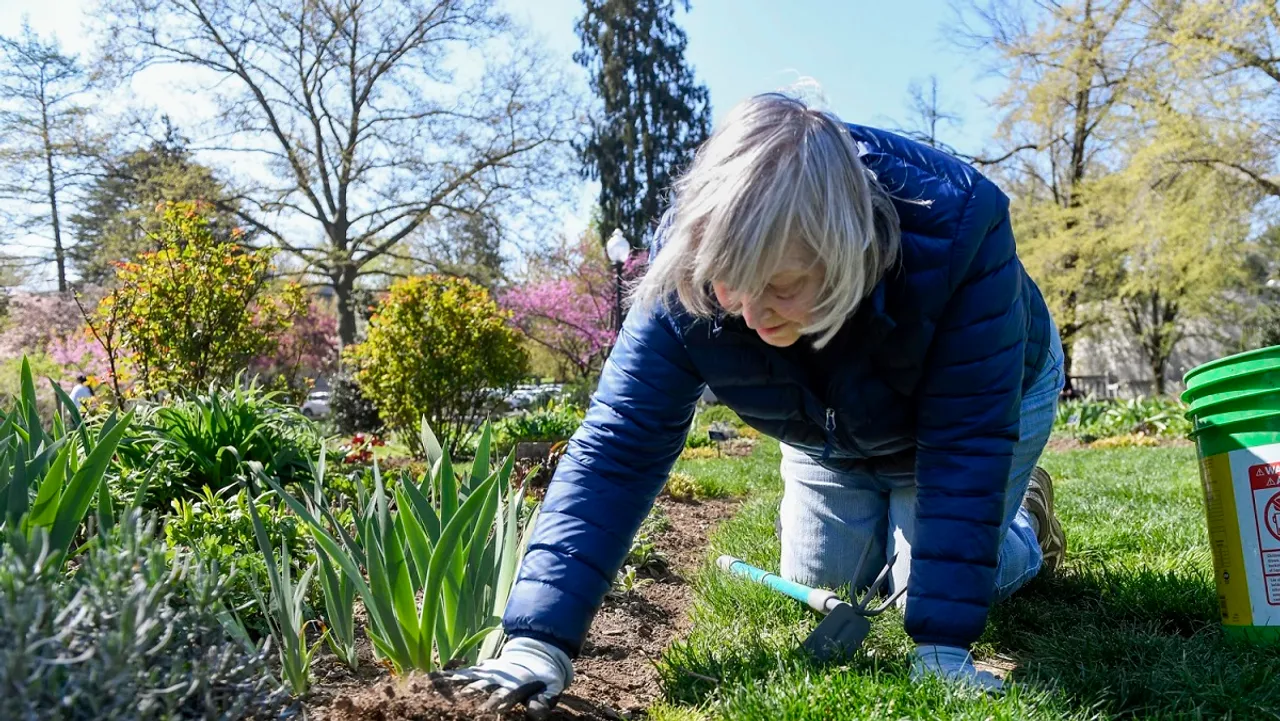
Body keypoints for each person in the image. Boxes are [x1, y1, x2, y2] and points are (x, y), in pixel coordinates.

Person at [444, 93, 1067, 716]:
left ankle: (1024, 525)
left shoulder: (960, 230)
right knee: (826, 580)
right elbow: (618, 450)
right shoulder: (688, 270)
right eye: (732, 282)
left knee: (917, 594)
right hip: (830, 426)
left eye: (782, 286)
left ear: (845, 249)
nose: (750, 311)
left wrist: (941, 649)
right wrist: (536, 644)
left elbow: (964, 444)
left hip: (984, 397)